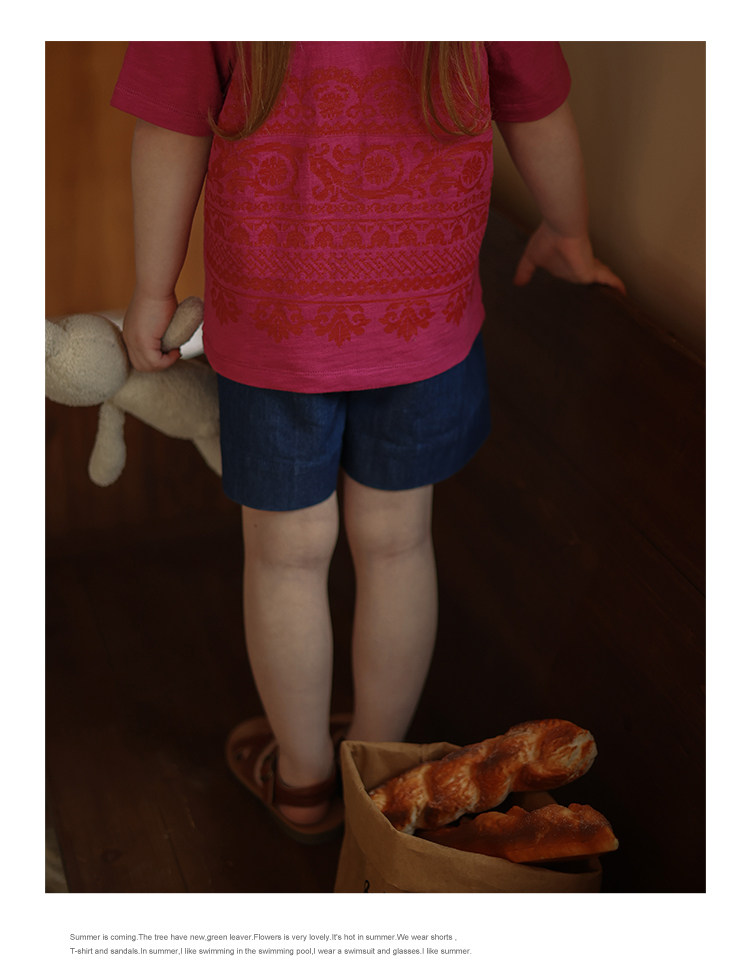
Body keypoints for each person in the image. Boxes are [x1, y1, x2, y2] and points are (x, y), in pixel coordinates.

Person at [112, 41, 624, 843]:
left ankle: (303, 782)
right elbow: (538, 106)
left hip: (275, 323)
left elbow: (170, 127)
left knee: (285, 557)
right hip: (424, 320)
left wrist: (152, 288)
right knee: (396, 545)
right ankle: (382, 786)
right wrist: (568, 231)